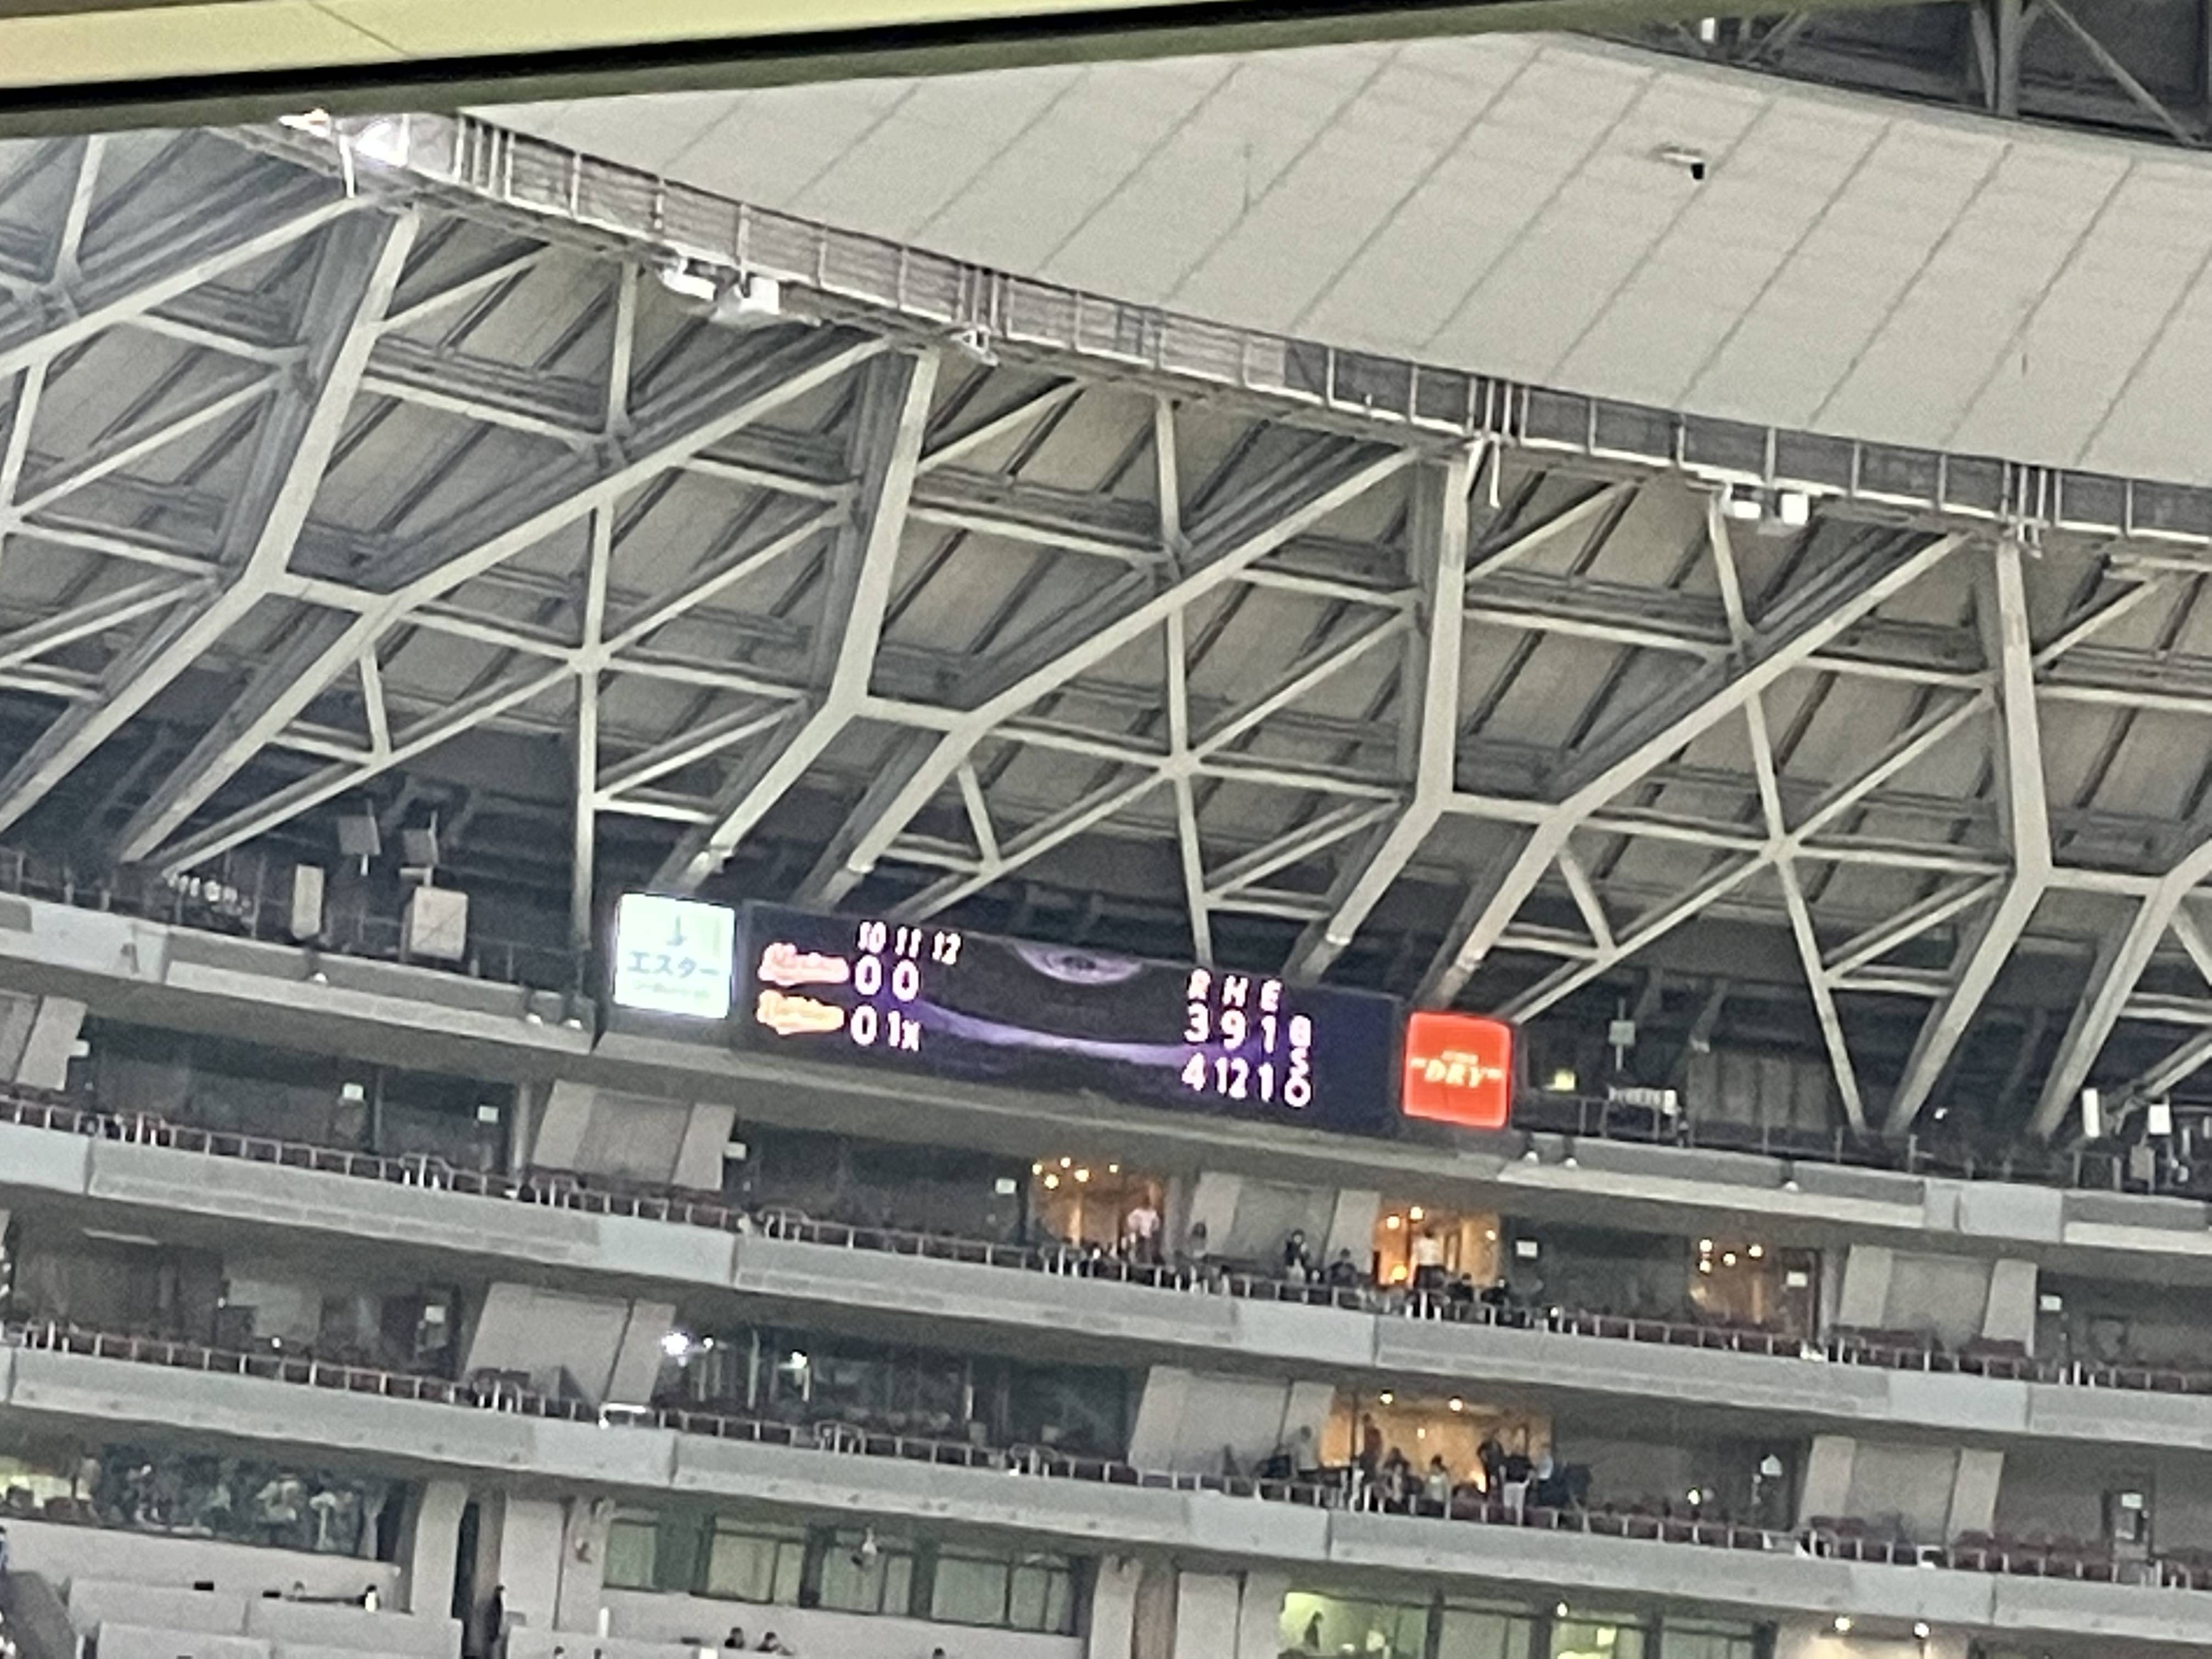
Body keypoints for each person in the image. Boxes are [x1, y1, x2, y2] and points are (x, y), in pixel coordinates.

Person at [1122, 1198, 1160, 1263]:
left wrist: (1153, 1229)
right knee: (1138, 1248)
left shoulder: (1153, 1213)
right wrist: (1136, 1227)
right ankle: (1137, 1261)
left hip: (1148, 1235)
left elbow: (1157, 1223)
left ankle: (1147, 1262)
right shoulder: (1137, 1212)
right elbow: (1131, 1221)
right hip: (1139, 1234)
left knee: (1147, 1250)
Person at [1410, 1228, 1446, 1293]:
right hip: (1434, 1266)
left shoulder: (1420, 1243)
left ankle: (1423, 1295)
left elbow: (1416, 1254)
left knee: (1421, 1288)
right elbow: (1440, 1256)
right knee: (1434, 1288)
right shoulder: (1437, 1244)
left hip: (1424, 1265)